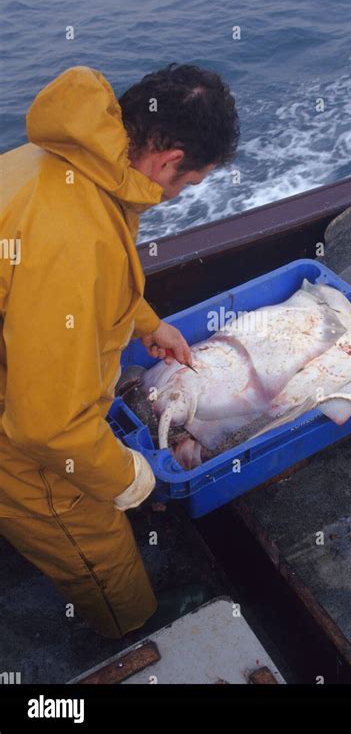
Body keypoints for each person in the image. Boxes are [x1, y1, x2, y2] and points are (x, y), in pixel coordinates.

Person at [0, 64, 239, 638]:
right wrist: (130, 478)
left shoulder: (53, 163)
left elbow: (67, 288)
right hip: (19, 434)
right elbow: (47, 429)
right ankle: (134, 629)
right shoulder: (76, 239)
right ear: (165, 160)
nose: (177, 194)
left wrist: (148, 324)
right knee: (92, 540)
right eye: (188, 181)